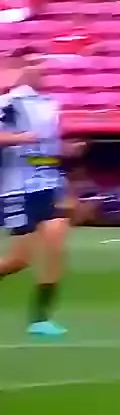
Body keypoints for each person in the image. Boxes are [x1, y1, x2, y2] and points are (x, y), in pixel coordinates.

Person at [0, 47, 72, 335]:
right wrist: (20, 137)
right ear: (19, 68)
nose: (41, 68)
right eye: (33, 63)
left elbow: (47, 148)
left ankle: (41, 318)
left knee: (56, 241)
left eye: (42, 62)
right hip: (18, 187)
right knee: (19, 260)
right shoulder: (9, 102)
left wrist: (66, 152)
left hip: (48, 183)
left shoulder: (50, 103)